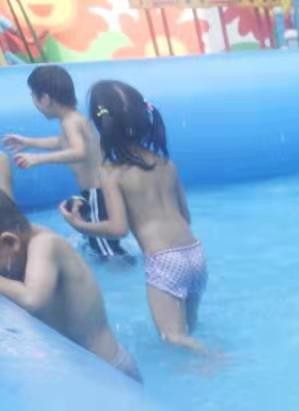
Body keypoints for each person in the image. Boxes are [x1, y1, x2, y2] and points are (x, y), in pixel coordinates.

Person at [57, 80, 208, 354]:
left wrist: (79, 225)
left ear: (102, 126)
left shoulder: (112, 172)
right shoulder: (166, 164)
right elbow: (185, 217)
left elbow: (118, 229)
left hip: (164, 260)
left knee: (173, 337)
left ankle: (216, 358)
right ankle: (205, 359)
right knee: (190, 330)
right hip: (195, 254)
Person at [0, 191, 138, 379]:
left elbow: (32, 300)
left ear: (9, 242)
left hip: (109, 370)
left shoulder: (45, 243)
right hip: (84, 369)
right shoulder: (24, 238)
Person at [4, 65, 128, 259]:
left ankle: (121, 268)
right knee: (97, 242)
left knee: (106, 250)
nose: (34, 103)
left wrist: (37, 159)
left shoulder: (70, 122)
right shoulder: (75, 118)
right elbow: (60, 142)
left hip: (97, 193)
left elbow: (79, 152)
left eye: (33, 97)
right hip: (98, 191)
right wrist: (28, 142)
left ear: (45, 99)